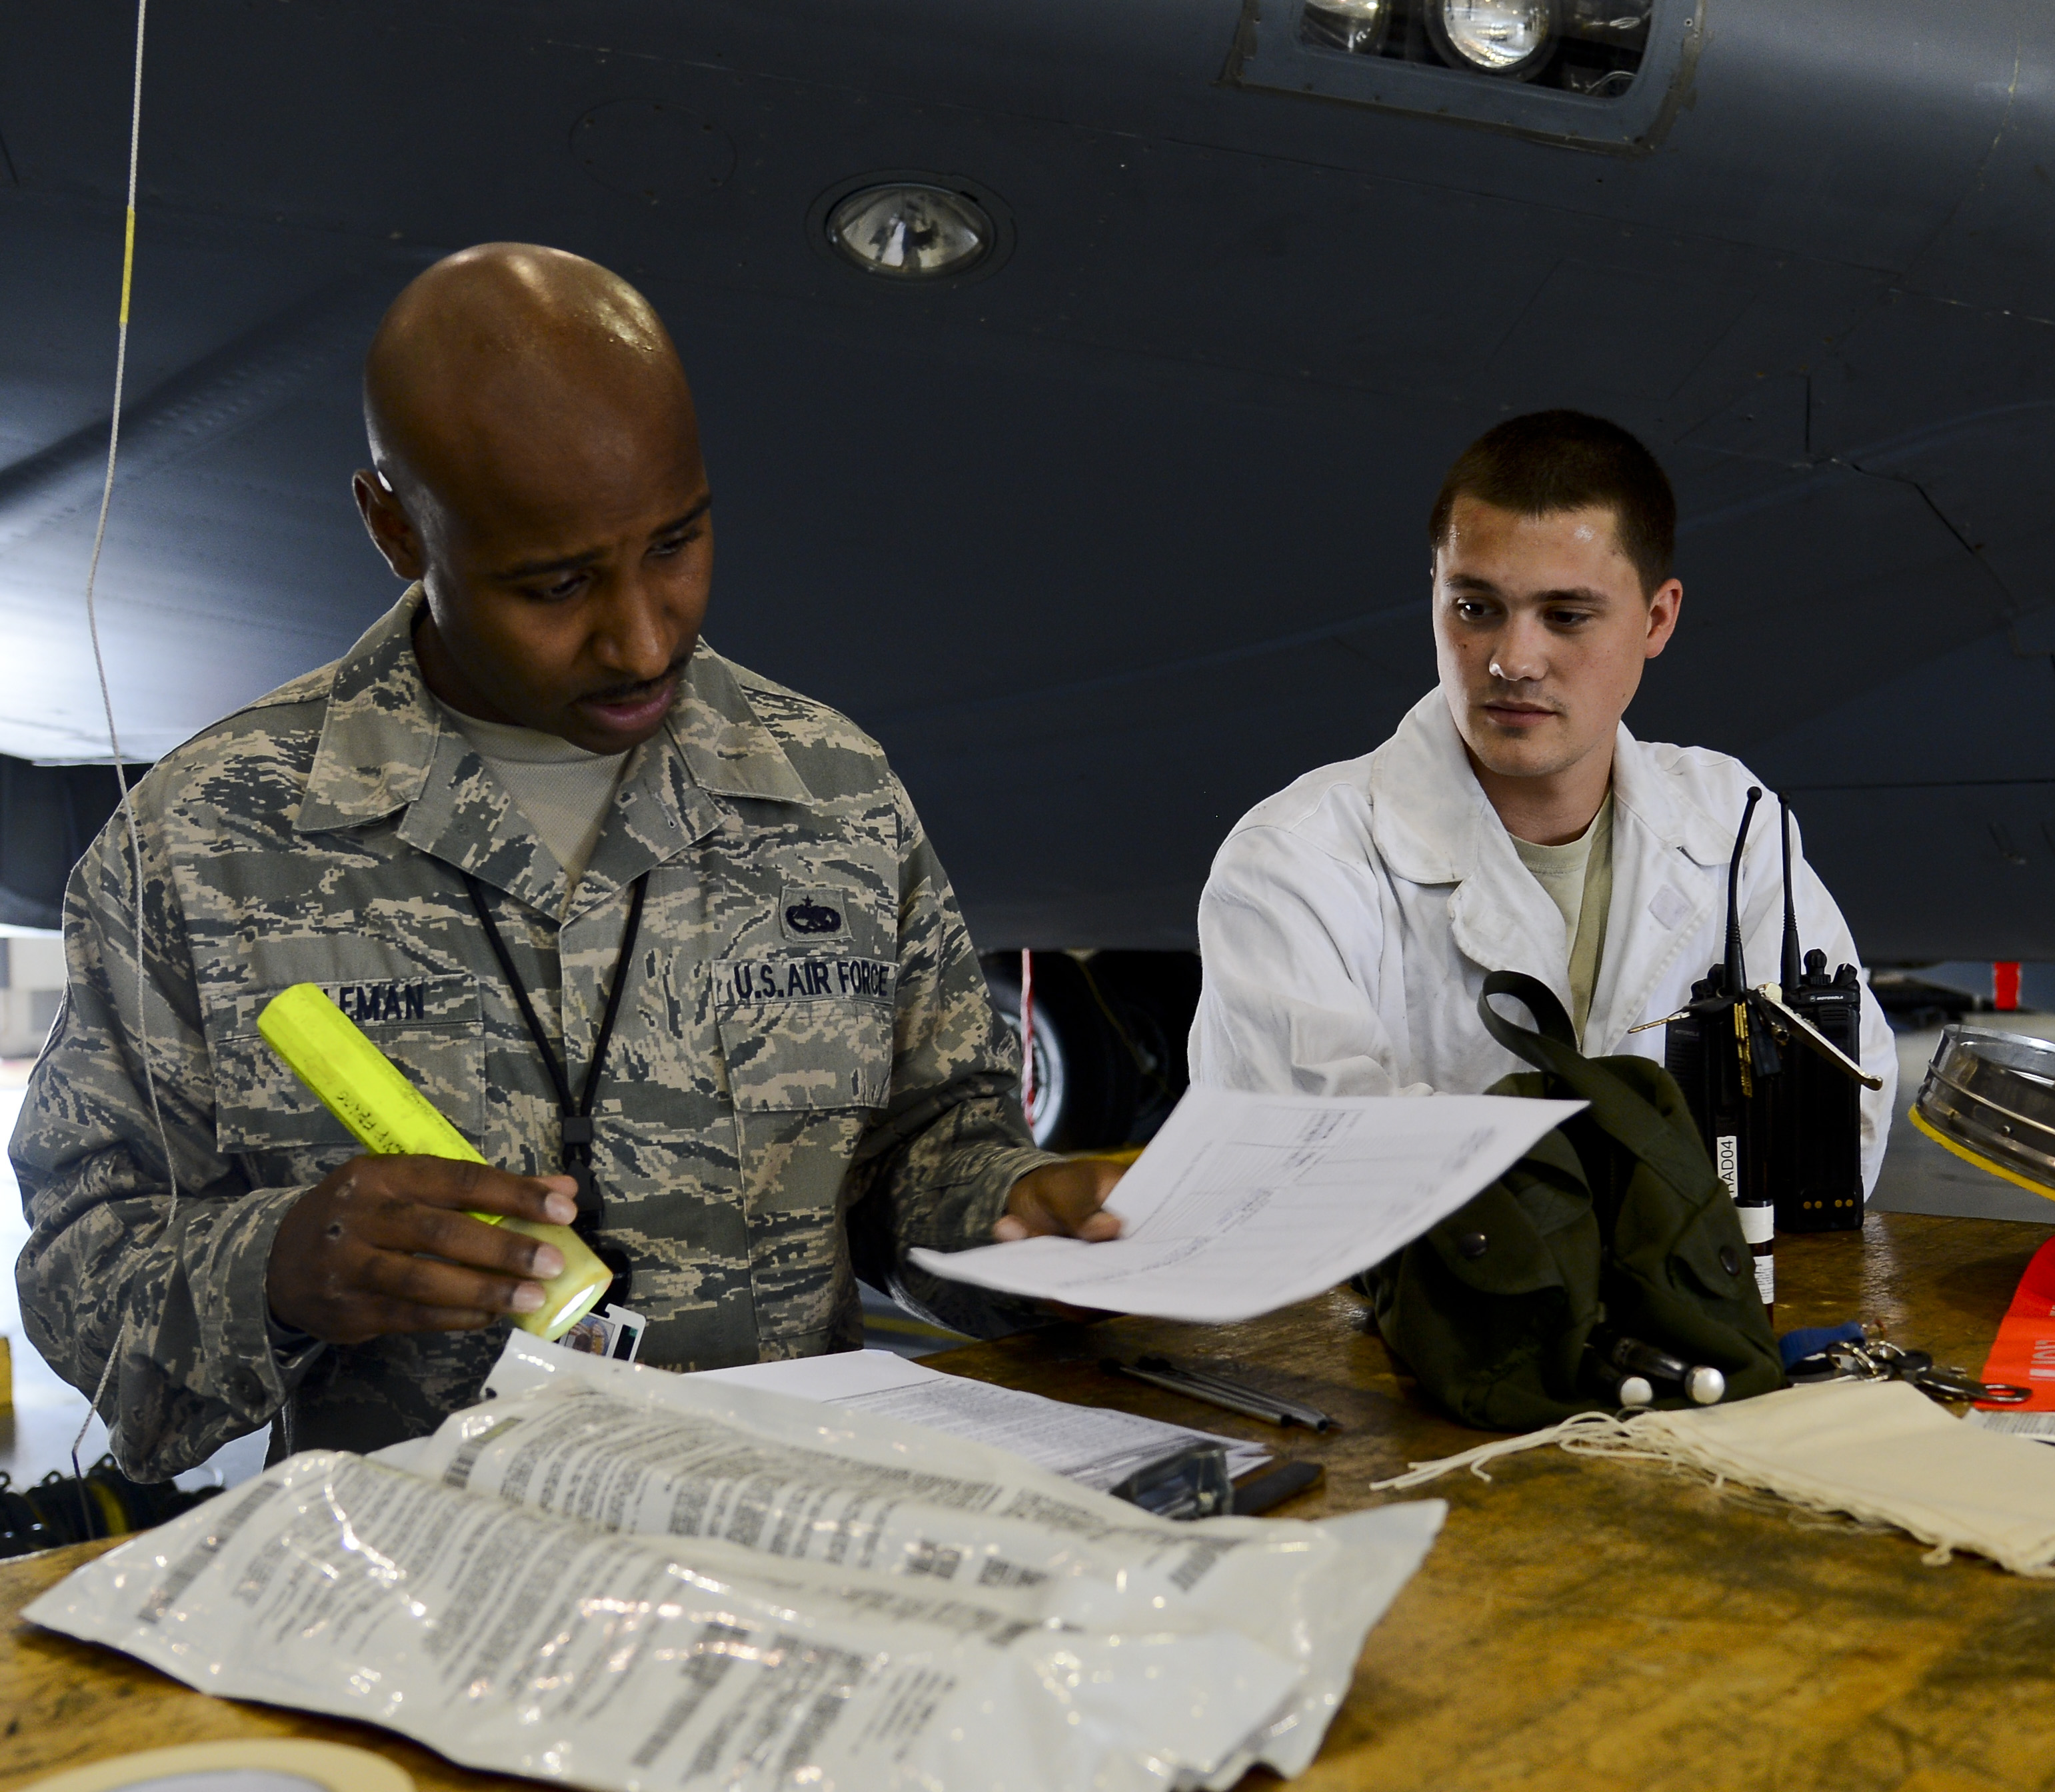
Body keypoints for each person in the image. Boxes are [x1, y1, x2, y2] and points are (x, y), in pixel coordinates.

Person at [9, 244, 1118, 1480]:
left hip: (794, 1558)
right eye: (556, 583)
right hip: (426, 1600)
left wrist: (1019, 1216)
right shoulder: (207, 841)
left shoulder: (829, 790)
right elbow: (80, 1273)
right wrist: (276, 1266)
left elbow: (928, 1146)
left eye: (679, 542)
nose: (644, 638)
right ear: (392, 525)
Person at [1188, 410, 1900, 1179]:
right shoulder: (1294, 865)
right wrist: (1675, 1196)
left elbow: (1836, 1128)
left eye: (1565, 616)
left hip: (1704, 1300)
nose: (1513, 660)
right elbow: (1307, 1172)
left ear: (1658, 619)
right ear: (1434, 594)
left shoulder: (1732, 825)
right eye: (1475, 608)